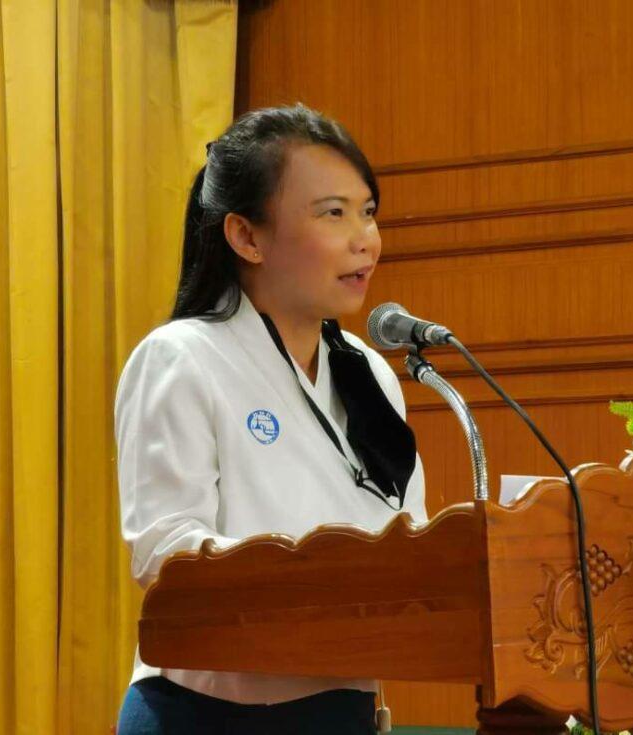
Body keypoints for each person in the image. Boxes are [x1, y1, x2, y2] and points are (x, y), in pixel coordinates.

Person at [113, 103, 428, 734]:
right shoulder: (183, 357)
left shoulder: (370, 372)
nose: (364, 238)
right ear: (246, 237)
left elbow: (411, 540)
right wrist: (315, 579)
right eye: (333, 213)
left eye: (367, 211)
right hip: (209, 713)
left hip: (341, 708)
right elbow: (165, 550)